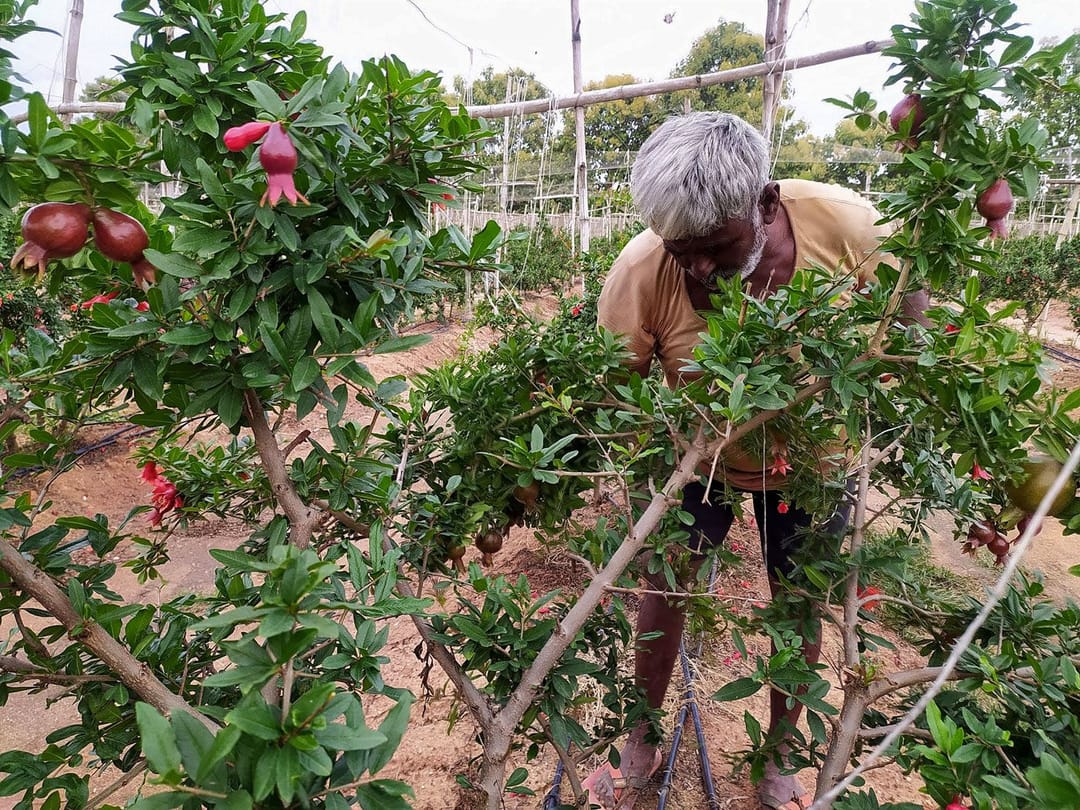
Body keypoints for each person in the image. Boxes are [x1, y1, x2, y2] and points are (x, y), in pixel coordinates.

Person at [583, 112, 928, 810]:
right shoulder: (642, 269)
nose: (698, 267)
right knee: (666, 584)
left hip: (814, 461)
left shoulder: (851, 227)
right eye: (682, 250)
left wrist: (879, 397)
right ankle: (641, 737)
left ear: (765, 203)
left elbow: (912, 317)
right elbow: (616, 395)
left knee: (798, 603)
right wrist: (653, 463)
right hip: (696, 455)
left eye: (714, 245)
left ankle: (778, 759)